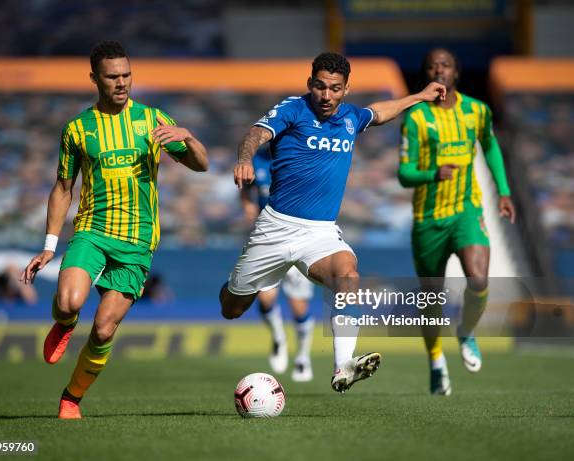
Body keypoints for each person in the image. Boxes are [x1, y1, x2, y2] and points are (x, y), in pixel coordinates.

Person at [219, 52, 446, 392]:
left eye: (335, 89)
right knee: (232, 308)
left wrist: (419, 96)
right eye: (321, 87)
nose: (326, 96)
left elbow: (380, 112)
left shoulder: (352, 118)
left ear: (346, 89)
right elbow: (256, 133)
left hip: (320, 232)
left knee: (348, 274)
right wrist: (244, 159)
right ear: (310, 84)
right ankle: (236, 284)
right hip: (275, 227)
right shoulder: (294, 109)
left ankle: (343, 366)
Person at [20, 41, 208, 418]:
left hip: (138, 240)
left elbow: (200, 165)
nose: (121, 83)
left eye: (126, 75)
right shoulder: (77, 129)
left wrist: (186, 137)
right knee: (70, 301)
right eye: (112, 76)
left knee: (104, 331)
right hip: (92, 230)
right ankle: (64, 322)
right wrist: (49, 244)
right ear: (94, 78)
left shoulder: (153, 119)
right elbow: (62, 188)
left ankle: (71, 398)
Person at [398, 48, 515, 395]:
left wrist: (504, 191)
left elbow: (491, 147)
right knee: (431, 297)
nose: (439, 70)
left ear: (456, 73)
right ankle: (436, 361)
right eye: (432, 66)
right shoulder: (416, 117)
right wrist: (433, 173)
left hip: (467, 209)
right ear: (427, 75)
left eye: (445, 65)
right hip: (428, 218)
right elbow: (404, 174)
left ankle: (466, 331)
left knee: (478, 278)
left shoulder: (477, 110)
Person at [241, 146, 316, 382]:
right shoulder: (257, 161)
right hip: (269, 239)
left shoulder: (300, 154)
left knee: (298, 307)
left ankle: (303, 357)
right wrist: (250, 209)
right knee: (264, 299)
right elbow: (246, 190)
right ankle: (278, 338)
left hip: (299, 238)